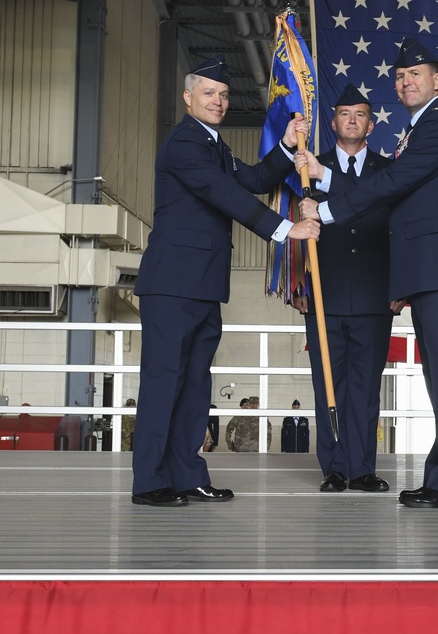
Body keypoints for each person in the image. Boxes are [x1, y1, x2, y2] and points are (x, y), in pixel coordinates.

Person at [297, 39, 438, 508]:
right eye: (400, 77)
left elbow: (394, 183)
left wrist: (327, 202)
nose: (406, 82)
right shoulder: (416, 130)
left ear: (437, 81)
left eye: (416, 75)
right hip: (429, 272)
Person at [131, 55, 320, 507]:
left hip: (203, 284)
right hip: (173, 283)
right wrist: (283, 229)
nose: (218, 101)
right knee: (164, 382)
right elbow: (224, 194)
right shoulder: (184, 143)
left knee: (196, 385)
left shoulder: (213, 146)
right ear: (188, 98)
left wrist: (287, 146)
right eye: (209, 93)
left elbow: (252, 179)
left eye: (223, 94)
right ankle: (149, 481)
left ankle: (186, 474)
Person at [292, 84, 401, 491]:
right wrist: (296, 283)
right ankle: (335, 469)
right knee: (328, 385)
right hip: (325, 293)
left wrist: (400, 284)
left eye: (359, 114)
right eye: (344, 113)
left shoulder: (387, 171)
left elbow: (396, 228)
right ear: (333, 121)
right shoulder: (306, 166)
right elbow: (292, 229)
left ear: (371, 125)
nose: (351, 120)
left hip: (375, 294)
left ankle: (363, 469)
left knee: (365, 388)